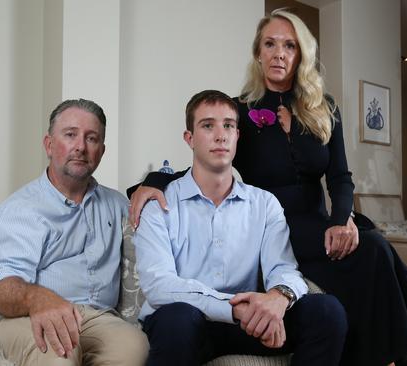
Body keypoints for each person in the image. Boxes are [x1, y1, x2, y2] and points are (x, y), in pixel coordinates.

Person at [128, 9, 407, 366]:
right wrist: (151, 182)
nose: (279, 53)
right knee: (373, 253)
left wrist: (342, 220)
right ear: (258, 53)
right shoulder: (241, 111)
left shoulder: (324, 109)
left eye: (289, 46)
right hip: (274, 228)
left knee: (378, 250)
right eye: (270, 44)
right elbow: (211, 156)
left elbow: (340, 176)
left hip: (320, 225)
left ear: (300, 55)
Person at [135, 89, 347, 366]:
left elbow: (283, 268)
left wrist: (277, 298)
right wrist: (234, 310)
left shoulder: (264, 203)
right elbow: (159, 285)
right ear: (190, 139)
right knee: (177, 319)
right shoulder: (159, 204)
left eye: (229, 126)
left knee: (327, 312)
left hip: (249, 324)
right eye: (208, 125)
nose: (220, 135)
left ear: (237, 136)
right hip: (188, 325)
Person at [0, 99, 148, 366]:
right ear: (49, 144)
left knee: (134, 346)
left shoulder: (117, 206)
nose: (80, 146)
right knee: (59, 352)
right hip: (20, 317)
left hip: (94, 319)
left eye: (91, 138)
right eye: (70, 135)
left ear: (101, 151)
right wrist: (39, 299)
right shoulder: (22, 209)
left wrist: (154, 186)